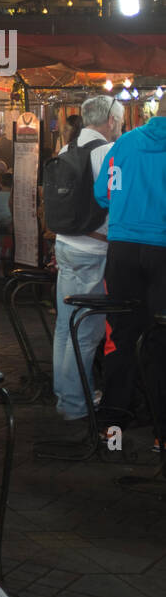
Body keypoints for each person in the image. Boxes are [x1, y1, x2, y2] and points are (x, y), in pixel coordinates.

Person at [94, 103, 166, 449]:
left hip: (122, 250)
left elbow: (103, 193)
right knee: (161, 339)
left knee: (120, 335)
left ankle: (112, 431)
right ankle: (160, 436)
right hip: (163, 252)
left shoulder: (124, 143)